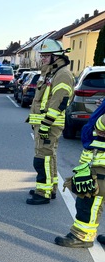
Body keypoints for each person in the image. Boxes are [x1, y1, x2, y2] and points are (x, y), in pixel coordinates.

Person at [25, 39, 75, 205]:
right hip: (44, 123)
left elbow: (59, 102)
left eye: (46, 56)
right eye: (42, 56)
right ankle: (50, 189)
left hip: (49, 125)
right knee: (49, 157)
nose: (43, 58)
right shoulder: (51, 73)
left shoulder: (62, 75)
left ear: (56, 56)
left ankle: (43, 193)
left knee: (42, 159)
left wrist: (46, 124)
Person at [54, 100, 105, 248]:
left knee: (89, 199)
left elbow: (101, 125)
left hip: (101, 162)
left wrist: (99, 124)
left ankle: (82, 236)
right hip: (99, 159)